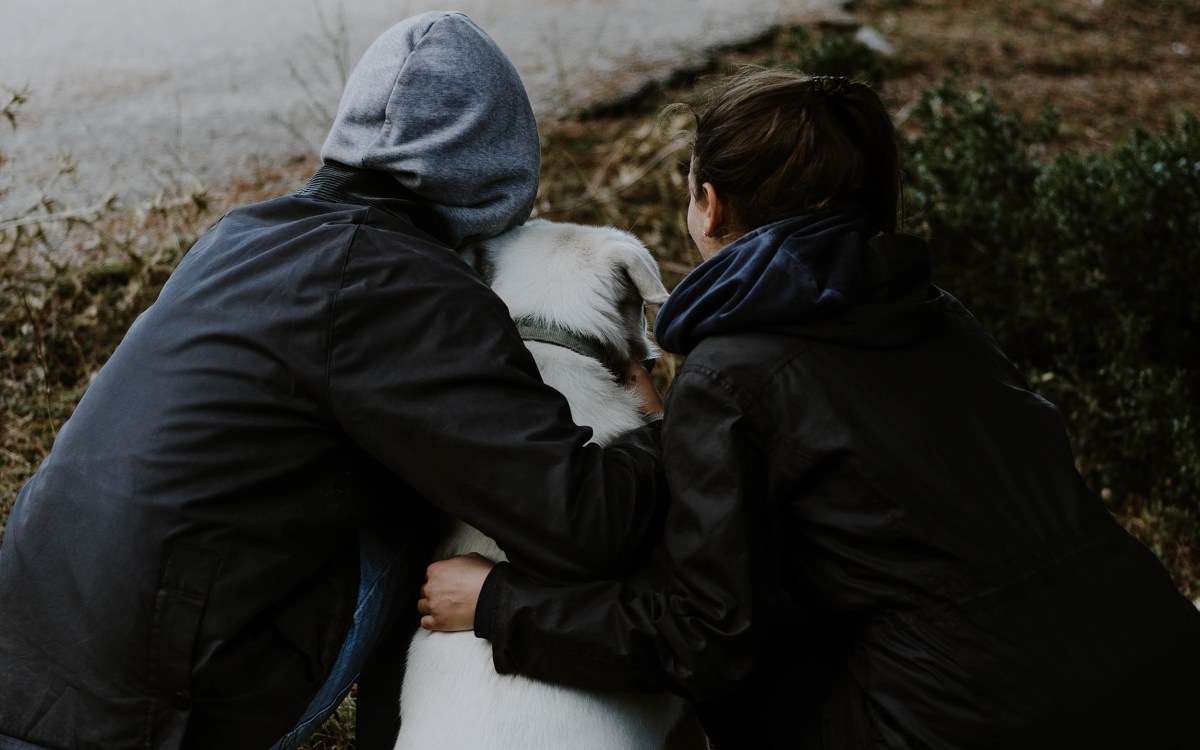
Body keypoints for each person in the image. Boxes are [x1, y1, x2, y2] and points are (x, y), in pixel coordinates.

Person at [419, 69, 1200, 749]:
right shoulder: (932, 310)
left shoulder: (732, 374)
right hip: (1159, 678)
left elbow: (707, 641)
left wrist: (499, 603)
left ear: (710, 205)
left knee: (747, 652)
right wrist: (674, 421)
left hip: (977, 728)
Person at [0, 12, 669, 750]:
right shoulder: (402, 282)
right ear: (500, 164)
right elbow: (585, 527)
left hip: (30, 668)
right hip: (144, 719)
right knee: (422, 501)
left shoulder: (245, 233)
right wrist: (672, 426)